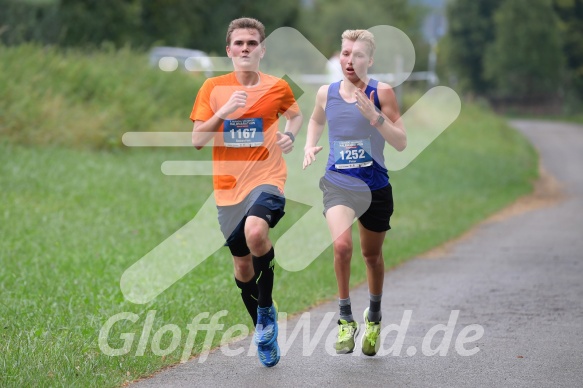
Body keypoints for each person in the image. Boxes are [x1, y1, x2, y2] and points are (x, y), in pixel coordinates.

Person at [190, 17, 303, 367]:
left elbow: (295, 116)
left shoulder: (277, 87)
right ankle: (262, 327)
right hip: (228, 190)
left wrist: (290, 135)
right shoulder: (212, 87)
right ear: (229, 50)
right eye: (238, 43)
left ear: (262, 49)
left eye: (251, 43)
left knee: (257, 232)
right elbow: (197, 140)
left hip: (267, 179)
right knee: (242, 267)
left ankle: (267, 308)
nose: (244, 49)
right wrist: (224, 111)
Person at [303, 29, 406, 356]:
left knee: (371, 256)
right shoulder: (326, 92)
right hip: (338, 184)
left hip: (374, 186)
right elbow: (316, 120)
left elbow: (401, 142)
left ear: (370, 60)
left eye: (357, 55)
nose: (350, 60)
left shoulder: (382, 92)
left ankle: (373, 316)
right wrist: (309, 145)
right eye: (345, 53)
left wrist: (375, 117)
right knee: (342, 247)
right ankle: (345, 318)